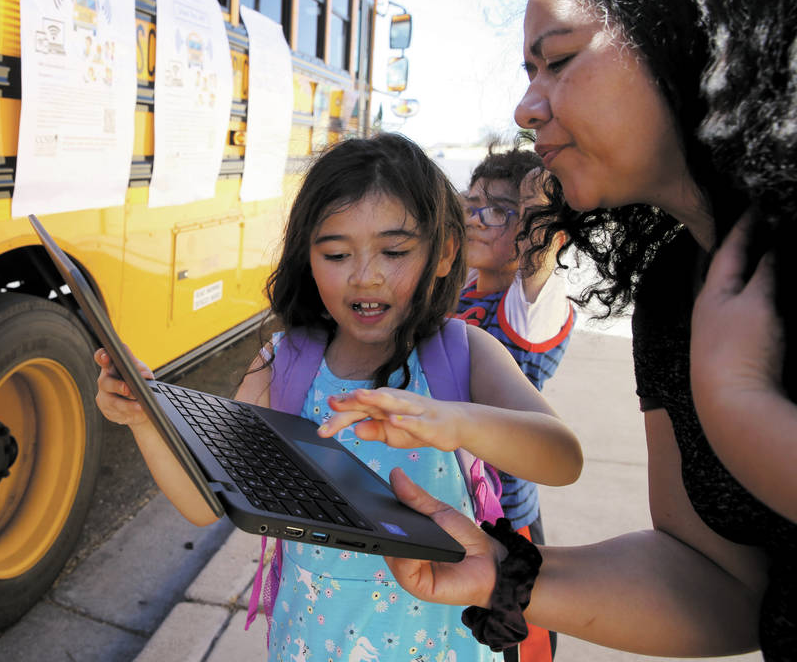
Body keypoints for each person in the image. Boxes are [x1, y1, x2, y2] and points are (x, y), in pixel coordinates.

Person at [327, 0, 797, 659]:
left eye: (559, 61)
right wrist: (502, 573)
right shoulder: (676, 291)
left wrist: (741, 409)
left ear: (697, 46)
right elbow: (715, 582)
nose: (525, 107)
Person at [94, 133, 583, 662]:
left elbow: (561, 457)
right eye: (336, 253)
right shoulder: (284, 363)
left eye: (394, 251)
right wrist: (145, 419)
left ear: (444, 253)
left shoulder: (463, 354)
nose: (364, 275)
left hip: (443, 646)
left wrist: (456, 421)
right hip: (312, 644)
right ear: (307, 257)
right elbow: (202, 501)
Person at [456, 150, 574, 662]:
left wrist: (543, 209)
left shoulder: (530, 311)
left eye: (500, 210)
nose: (478, 219)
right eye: (472, 203)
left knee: (511, 643)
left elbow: (540, 252)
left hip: (503, 522)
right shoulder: (460, 291)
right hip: (452, 505)